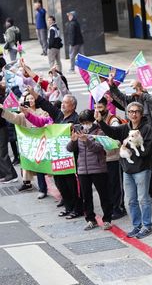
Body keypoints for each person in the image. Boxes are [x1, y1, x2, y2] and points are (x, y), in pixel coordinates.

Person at [95, 101, 152, 239]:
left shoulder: (146, 129)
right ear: (127, 114)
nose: (133, 114)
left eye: (136, 111)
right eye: (131, 112)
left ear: (141, 113)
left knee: (143, 199)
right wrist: (100, 122)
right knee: (131, 200)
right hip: (127, 169)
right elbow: (112, 132)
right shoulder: (125, 127)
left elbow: (147, 150)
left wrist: (131, 145)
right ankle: (137, 225)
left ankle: (147, 225)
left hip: (142, 169)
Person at [108, 75, 152, 204]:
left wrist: (142, 94)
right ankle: (148, 191)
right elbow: (120, 97)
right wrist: (112, 85)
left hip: (151, 140)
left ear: (140, 87)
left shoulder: (147, 98)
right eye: (130, 88)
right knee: (143, 166)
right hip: (135, 141)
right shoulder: (130, 101)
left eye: (133, 87)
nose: (131, 90)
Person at [32, 89, 83, 217]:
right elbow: (46, 105)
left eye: (66, 103)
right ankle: (68, 207)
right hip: (57, 157)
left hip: (71, 158)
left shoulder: (76, 119)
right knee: (60, 183)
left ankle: (77, 209)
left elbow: (79, 134)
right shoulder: (59, 115)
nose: (63, 105)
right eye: (63, 102)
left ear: (73, 106)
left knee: (72, 185)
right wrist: (33, 93)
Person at [67, 109, 113, 231]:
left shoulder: (99, 131)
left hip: (98, 168)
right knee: (86, 196)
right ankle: (90, 219)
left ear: (92, 121)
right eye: (83, 122)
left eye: (87, 122)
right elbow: (69, 149)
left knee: (104, 195)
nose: (85, 125)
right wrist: (73, 140)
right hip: (83, 169)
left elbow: (99, 148)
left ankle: (107, 219)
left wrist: (86, 140)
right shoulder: (79, 131)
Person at [95, 98, 127, 220]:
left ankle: (119, 208)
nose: (98, 110)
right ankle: (113, 207)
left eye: (100, 107)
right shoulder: (97, 120)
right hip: (104, 158)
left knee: (116, 185)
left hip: (114, 157)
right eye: (96, 107)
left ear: (106, 106)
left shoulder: (113, 120)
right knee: (108, 185)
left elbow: (116, 137)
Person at [0, 84, 18, 184]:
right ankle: (3, 174)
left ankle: (11, 175)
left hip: (2, 129)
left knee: (2, 153)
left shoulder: (1, 99)